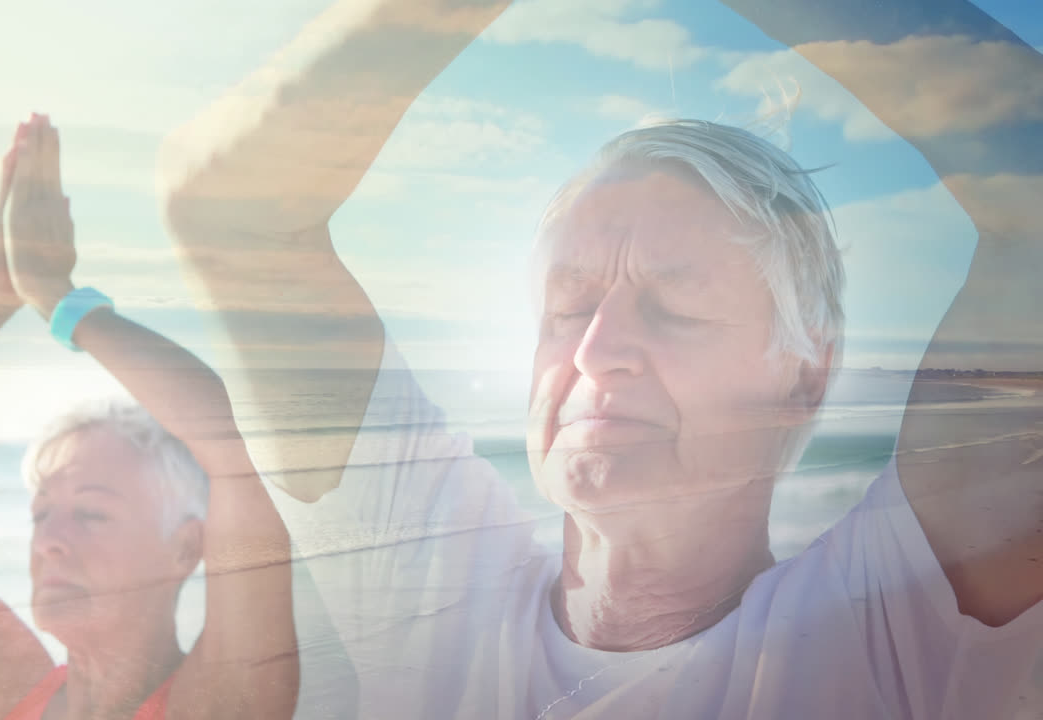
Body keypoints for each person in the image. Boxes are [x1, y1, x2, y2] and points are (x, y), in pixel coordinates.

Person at [155, 0, 1043, 717]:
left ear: (806, 372)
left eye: (675, 306)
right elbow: (233, 213)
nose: (596, 350)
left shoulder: (894, 625)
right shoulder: (435, 600)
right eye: (568, 305)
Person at [0, 116, 299, 720]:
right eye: (41, 514)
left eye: (92, 514)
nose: (49, 542)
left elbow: (225, 448)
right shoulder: (2, 691)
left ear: (185, 547)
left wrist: (55, 296)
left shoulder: (224, 701)